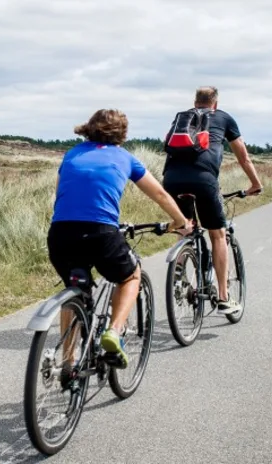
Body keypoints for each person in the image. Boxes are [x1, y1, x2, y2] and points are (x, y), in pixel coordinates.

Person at [48, 108, 192, 368]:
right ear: (122, 135)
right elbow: (159, 194)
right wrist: (181, 222)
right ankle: (114, 331)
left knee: (75, 291)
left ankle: (68, 363)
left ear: (90, 128)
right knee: (130, 275)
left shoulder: (71, 154)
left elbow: (59, 195)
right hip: (101, 233)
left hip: (60, 233)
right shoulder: (125, 158)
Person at [162, 86, 263, 315]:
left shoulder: (182, 118)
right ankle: (224, 297)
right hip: (204, 180)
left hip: (171, 179)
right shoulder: (224, 118)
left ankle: (179, 267)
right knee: (218, 234)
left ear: (194, 102)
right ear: (214, 104)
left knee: (185, 225)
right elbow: (243, 157)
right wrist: (255, 185)